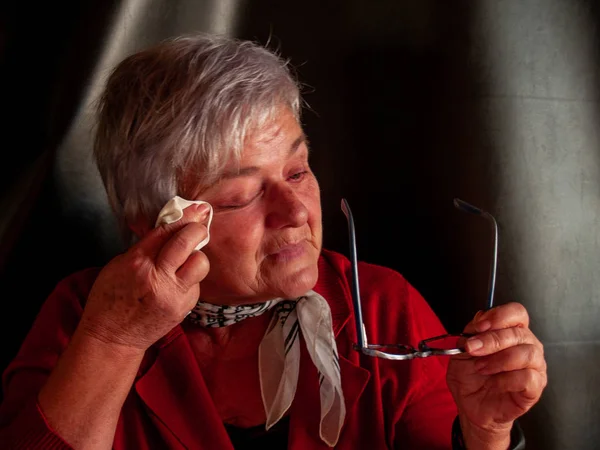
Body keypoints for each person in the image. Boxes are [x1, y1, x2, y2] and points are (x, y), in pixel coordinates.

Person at [0, 33, 546, 450]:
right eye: (242, 194)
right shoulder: (83, 316)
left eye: (298, 170)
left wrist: (486, 431)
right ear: (156, 218)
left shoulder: (381, 306)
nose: (296, 214)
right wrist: (113, 341)